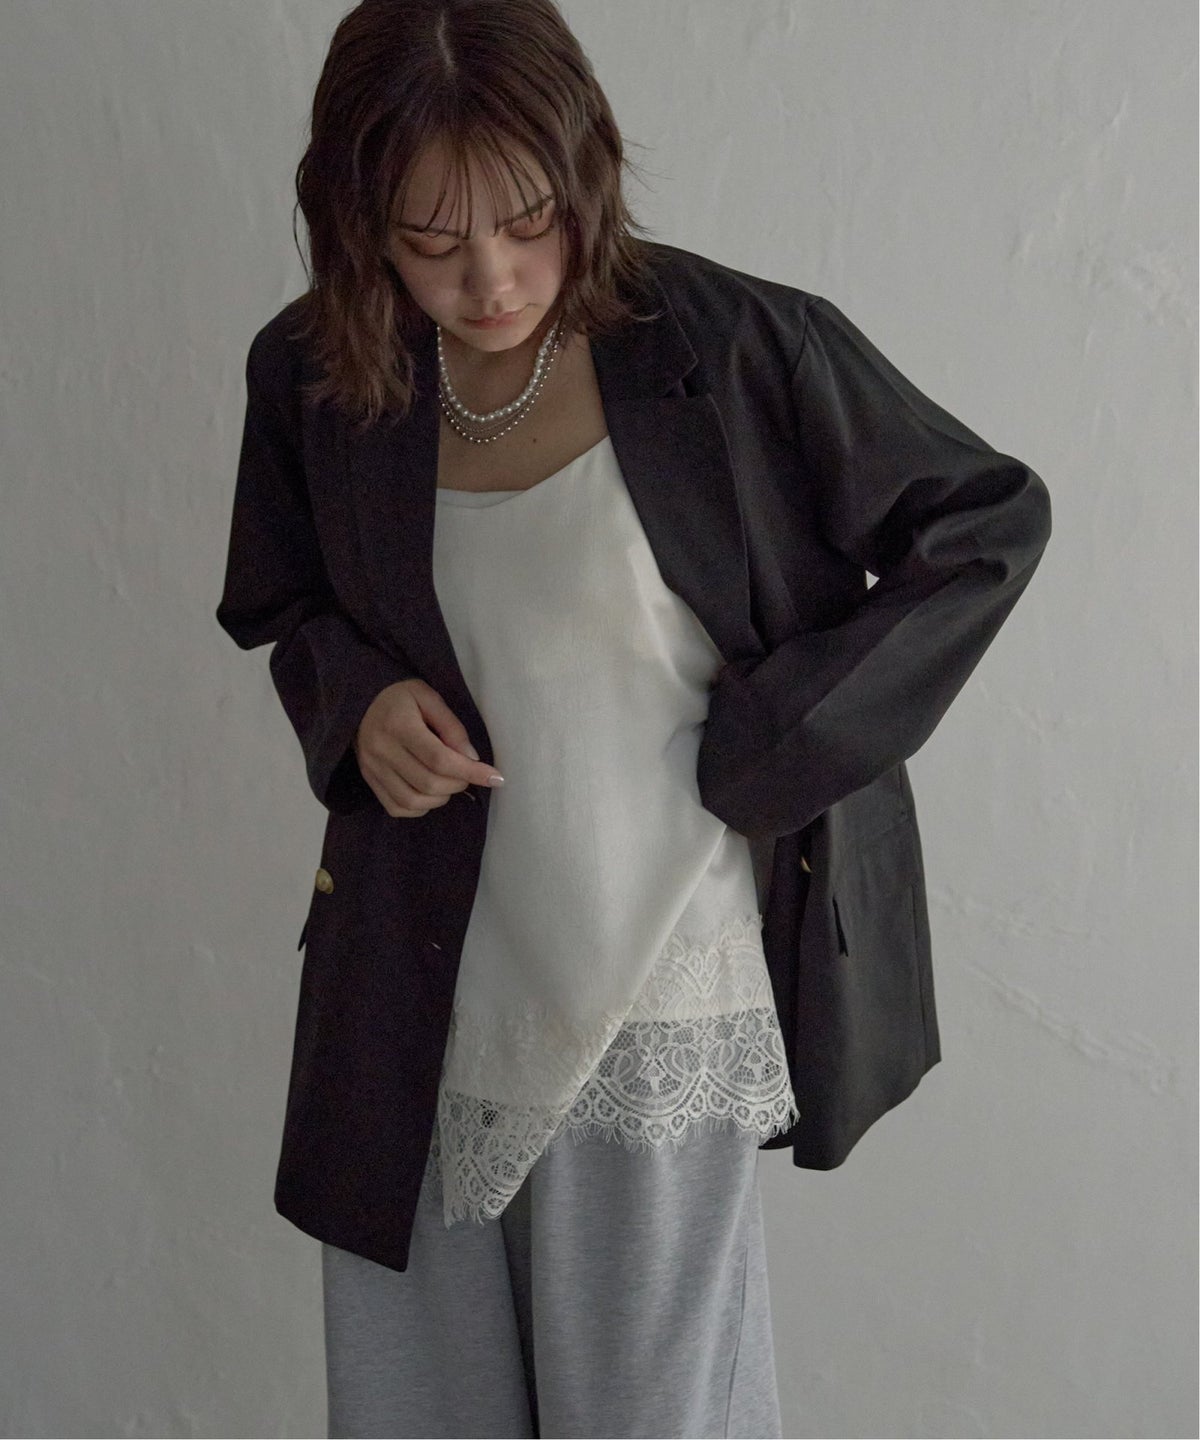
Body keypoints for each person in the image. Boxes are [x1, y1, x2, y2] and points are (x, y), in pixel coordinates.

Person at [214, 2, 1052, 1436]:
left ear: (584, 172)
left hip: (657, 978)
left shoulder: (730, 347)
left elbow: (986, 523)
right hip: (416, 985)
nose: (490, 276)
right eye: (430, 239)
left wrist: (788, 740)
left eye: (528, 219)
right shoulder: (319, 373)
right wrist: (355, 707)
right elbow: (281, 600)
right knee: (419, 1415)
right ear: (360, 223)